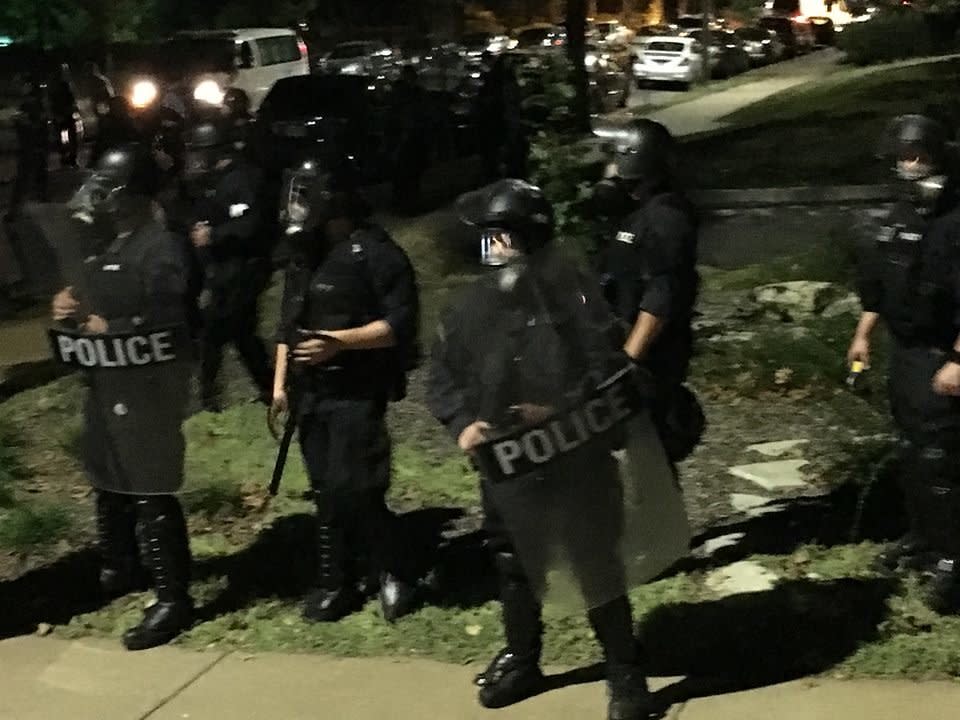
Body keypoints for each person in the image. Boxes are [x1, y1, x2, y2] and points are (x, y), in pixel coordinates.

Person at [427, 180, 659, 720]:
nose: (492, 249)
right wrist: (463, 425)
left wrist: (557, 411)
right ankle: (523, 658)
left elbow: (608, 370)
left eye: (500, 237)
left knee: (593, 562)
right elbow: (443, 373)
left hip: (572, 453)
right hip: (505, 463)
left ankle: (625, 674)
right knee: (512, 561)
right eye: (487, 239)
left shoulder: (573, 296)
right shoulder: (474, 305)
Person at [49, 144, 194, 650]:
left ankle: (173, 597)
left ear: (133, 193)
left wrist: (110, 326)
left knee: (151, 487)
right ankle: (122, 568)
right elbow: (94, 293)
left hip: (148, 386)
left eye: (110, 188)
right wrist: (71, 304)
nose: (101, 198)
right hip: (107, 381)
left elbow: (170, 317)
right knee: (109, 478)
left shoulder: (161, 246)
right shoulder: (111, 243)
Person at [271, 156, 422, 623]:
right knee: (324, 491)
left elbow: (398, 326)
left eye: (307, 196)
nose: (298, 208)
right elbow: (288, 324)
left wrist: (339, 344)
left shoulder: (377, 254)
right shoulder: (306, 255)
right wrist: (279, 386)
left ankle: (395, 572)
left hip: (356, 391)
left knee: (356, 488)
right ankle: (334, 581)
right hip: (309, 394)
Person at [848, 114, 960, 612]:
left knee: (943, 459)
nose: (911, 166)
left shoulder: (954, 221)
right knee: (912, 452)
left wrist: (958, 360)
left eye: (919, 156)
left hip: (943, 354)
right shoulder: (901, 215)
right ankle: (925, 537)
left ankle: (954, 558)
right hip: (907, 354)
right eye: (903, 158)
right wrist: (863, 336)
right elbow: (884, 285)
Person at [594, 119, 703, 464]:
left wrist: (628, 363)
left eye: (616, 155)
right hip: (625, 350)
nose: (609, 163)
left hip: (649, 361)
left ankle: (658, 518)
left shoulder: (666, 219)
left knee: (647, 458)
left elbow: (662, 294)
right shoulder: (640, 213)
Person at [183, 119, 273, 411]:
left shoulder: (241, 179)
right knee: (237, 334)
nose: (196, 158)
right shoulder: (212, 181)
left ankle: (211, 398)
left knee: (222, 332)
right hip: (222, 270)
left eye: (201, 151)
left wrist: (214, 235)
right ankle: (266, 388)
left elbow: (250, 225)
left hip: (243, 269)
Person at [388, 65, 429, 215]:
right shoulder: (408, 94)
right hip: (408, 140)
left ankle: (406, 204)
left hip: (411, 140)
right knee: (408, 176)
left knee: (407, 176)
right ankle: (408, 205)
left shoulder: (409, 93)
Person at [7, 78, 49, 221]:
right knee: (36, 179)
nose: (21, 88)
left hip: (31, 148)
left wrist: (21, 122)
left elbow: (36, 126)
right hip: (33, 147)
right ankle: (38, 208)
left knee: (26, 179)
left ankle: (16, 211)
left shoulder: (31, 105)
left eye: (24, 85)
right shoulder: (35, 104)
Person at [51, 63, 81, 168]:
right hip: (62, 114)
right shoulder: (59, 85)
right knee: (66, 138)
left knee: (70, 138)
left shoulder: (66, 84)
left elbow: (72, 99)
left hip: (66, 114)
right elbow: (54, 101)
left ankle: (69, 158)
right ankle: (67, 158)